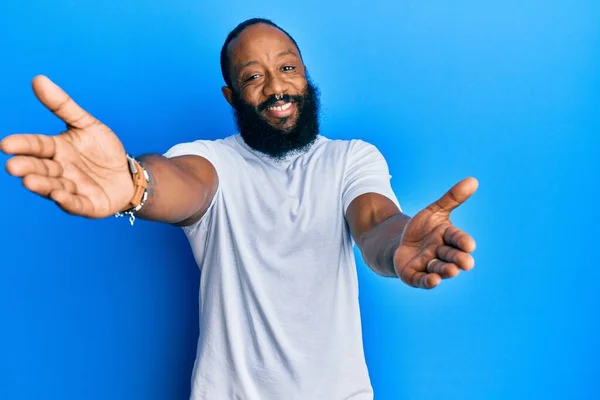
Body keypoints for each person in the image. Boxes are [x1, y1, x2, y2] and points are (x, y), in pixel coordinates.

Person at [0, 17, 478, 400]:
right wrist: (132, 182)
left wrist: (400, 242)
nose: (276, 87)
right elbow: (179, 183)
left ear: (306, 75)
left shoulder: (350, 157)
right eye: (253, 76)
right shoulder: (212, 160)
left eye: (288, 68)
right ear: (232, 95)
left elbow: (374, 220)